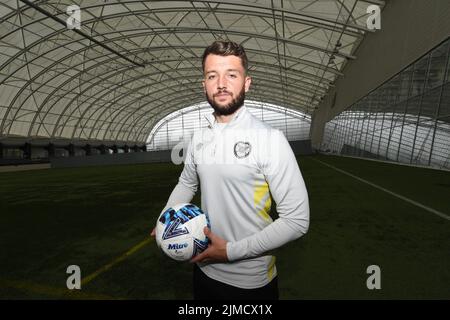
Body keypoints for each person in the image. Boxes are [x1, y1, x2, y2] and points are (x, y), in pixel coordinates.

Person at [151, 40, 310, 300]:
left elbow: (297, 220)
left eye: (231, 75)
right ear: (204, 84)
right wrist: (166, 217)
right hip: (203, 271)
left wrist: (230, 251)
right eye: (212, 76)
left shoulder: (270, 139)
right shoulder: (198, 138)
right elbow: (187, 183)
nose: (221, 83)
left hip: (251, 283)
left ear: (246, 82)